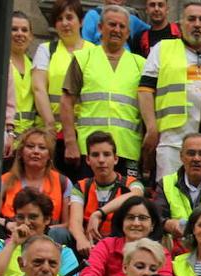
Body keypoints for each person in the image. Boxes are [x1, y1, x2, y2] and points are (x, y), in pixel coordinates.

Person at [138, 3, 201, 182]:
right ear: (181, 24)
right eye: (191, 19)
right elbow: (145, 90)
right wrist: (151, 127)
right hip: (173, 142)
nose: (197, 24)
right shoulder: (162, 48)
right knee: (169, 198)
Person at [60, 4, 146, 178]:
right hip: (90, 150)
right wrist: (70, 142)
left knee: (127, 202)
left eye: (122, 26)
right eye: (112, 24)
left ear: (128, 33)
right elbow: (66, 102)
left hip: (127, 150)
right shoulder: (84, 58)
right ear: (100, 28)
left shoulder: (141, 64)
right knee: (88, 199)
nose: (117, 30)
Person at [31, 0, 95, 176]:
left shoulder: (94, 52)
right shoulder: (47, 50)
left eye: (70, 17)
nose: (65, 23)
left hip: (84, 135)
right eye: (60, 19)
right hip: (53, 136)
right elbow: (39, 88)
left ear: (80, 21)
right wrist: (50, 125)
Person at [66, 131, 145, 256]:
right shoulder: (80, 187)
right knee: (59, 234)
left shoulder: (131, 183)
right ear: (87, 159)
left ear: (115, 159)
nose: (101, 160)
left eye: (107, 154)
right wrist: (81, 240)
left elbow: (136, 195)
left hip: (121, 244)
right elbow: (74, 222)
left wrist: (98, 213)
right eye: (95, 155)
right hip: (89, 246)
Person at [80, 195, 173, 276]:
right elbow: (88, 275)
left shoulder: (161, 253)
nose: (136, 223)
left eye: (142, 218)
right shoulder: (106, 245)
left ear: (152, 225)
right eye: (130, 217)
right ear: (122, 222)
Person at [0, 189, 81, 276]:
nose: (26, 222)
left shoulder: (63, 253)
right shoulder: (1, 246)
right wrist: (13, 243)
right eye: (20, 217)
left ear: (47, 219)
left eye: (33, 217)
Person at [0, 127, 72, 233]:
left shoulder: (63, 182)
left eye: (42, 148)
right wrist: (7, 224)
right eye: (30, 146)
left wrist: (40, 229)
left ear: (49, 156)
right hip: (11, 234)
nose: (36, 151)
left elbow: (67, 224)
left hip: (48, 237)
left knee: (60, 234)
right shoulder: (5, 180)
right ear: (21, 153)